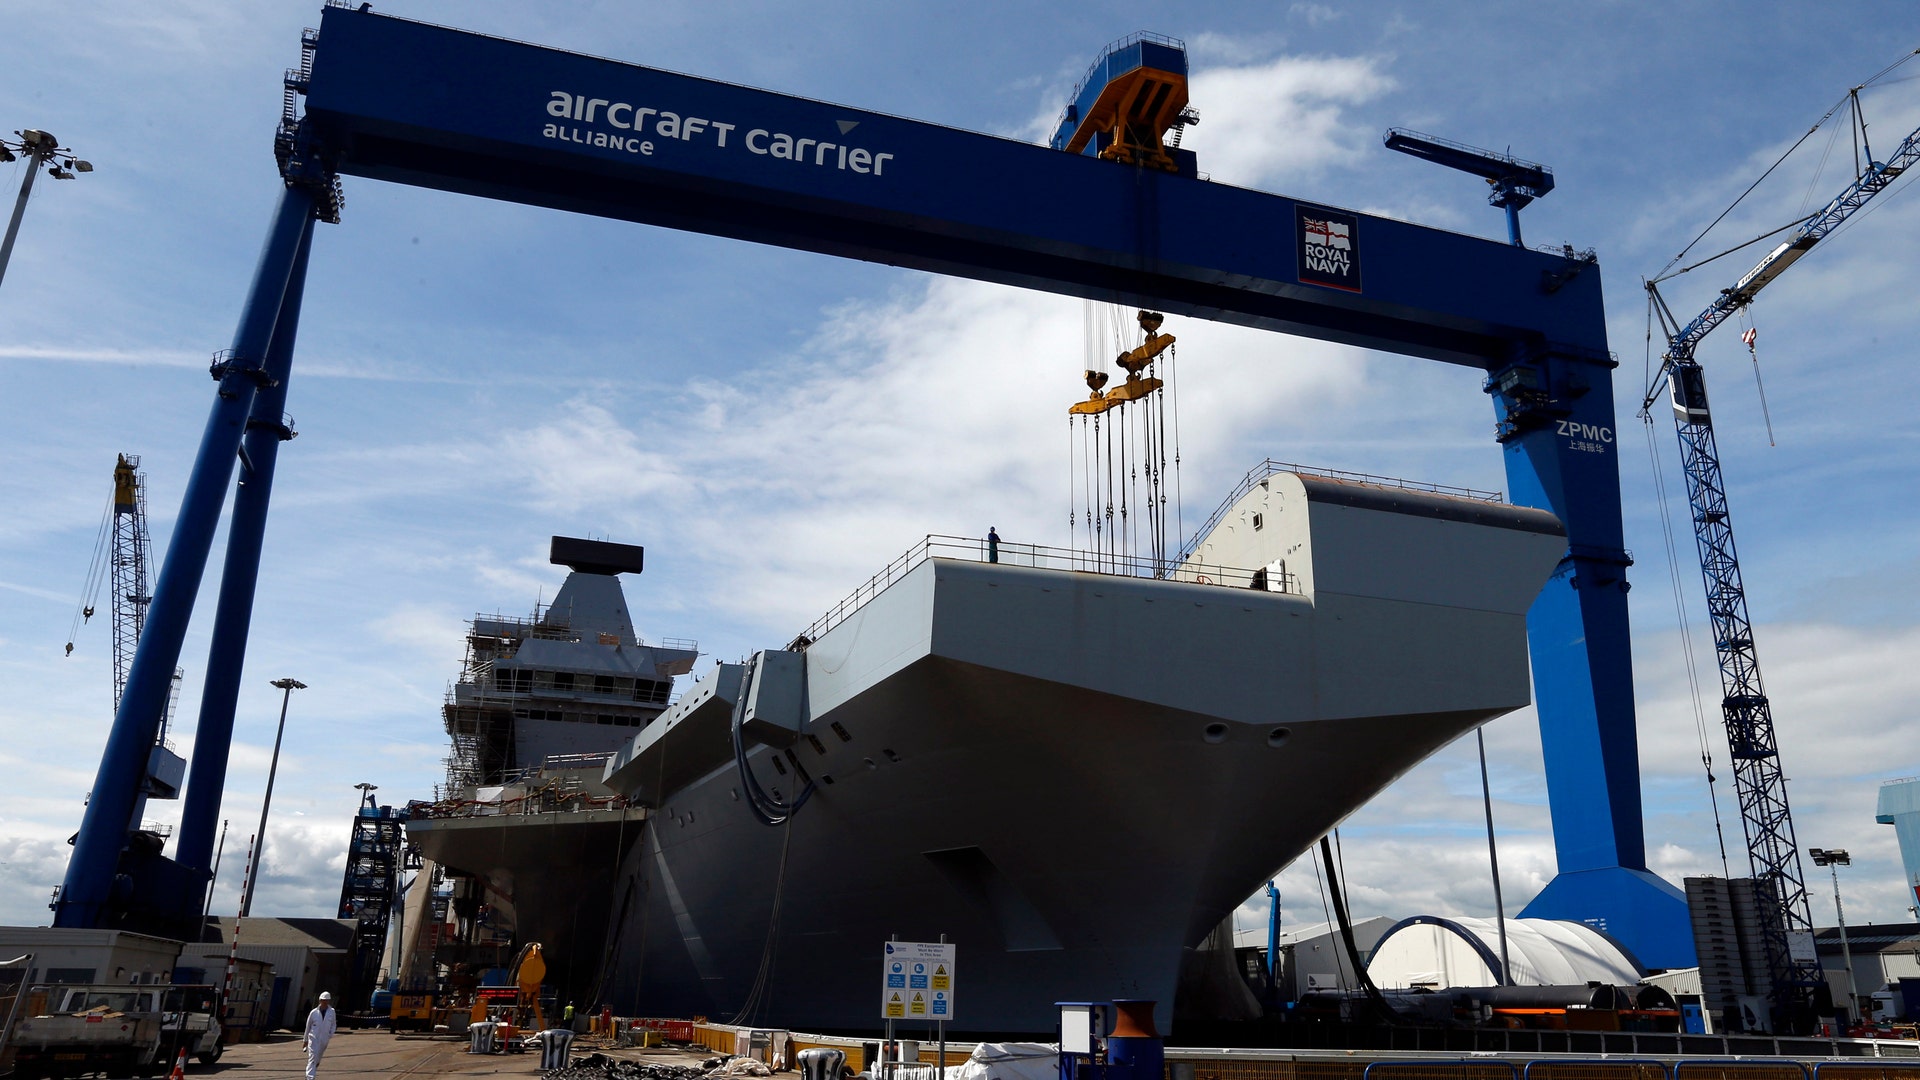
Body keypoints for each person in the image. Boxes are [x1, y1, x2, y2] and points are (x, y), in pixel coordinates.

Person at [303, 991, 337, 1080]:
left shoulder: (332, 1012)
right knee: (312, 1057)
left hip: (324, 1039)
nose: (324, 1002)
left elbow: (333, 1024)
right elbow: (308, 1026)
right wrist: (305, 1040)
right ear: (320, 1000)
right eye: (323, 1000)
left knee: (317, 1059)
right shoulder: (314, 1012)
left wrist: (330, 1034)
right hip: (313, 1038)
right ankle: (310, 1077)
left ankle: (313, 1069)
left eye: (326, 1000)